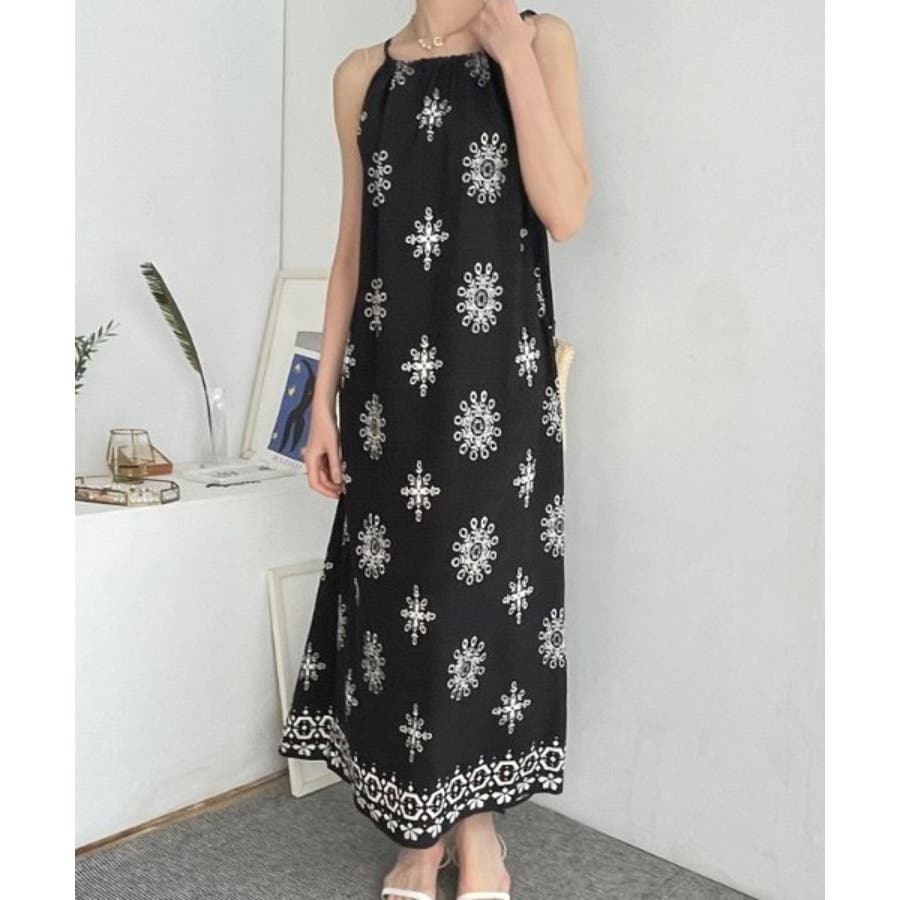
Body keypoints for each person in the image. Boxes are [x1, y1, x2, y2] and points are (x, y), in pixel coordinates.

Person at [278, 2, 592, 898]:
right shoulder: (361, 76)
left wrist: (512, 58)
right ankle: (419, 834)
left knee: (482, 608)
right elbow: (351, 252)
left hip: (497, 389)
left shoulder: (541, 39)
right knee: (398, 607)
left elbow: (566, 211)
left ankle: (476, 829)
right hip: (388, 390)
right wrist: (320, 402)